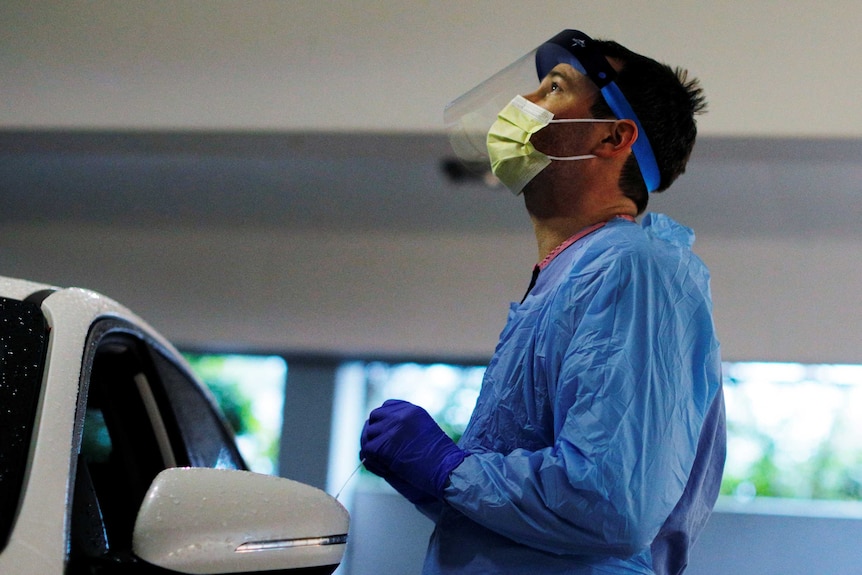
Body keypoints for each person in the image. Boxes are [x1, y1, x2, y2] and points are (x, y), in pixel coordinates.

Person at [360, 29, 725, 575]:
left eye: (554, 88)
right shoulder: (570, 274)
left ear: (612, 137)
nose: (523, 105)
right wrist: (430, 478)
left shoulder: (631, 269)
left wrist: (448, 468)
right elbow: (534, 527)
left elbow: (610, 505)